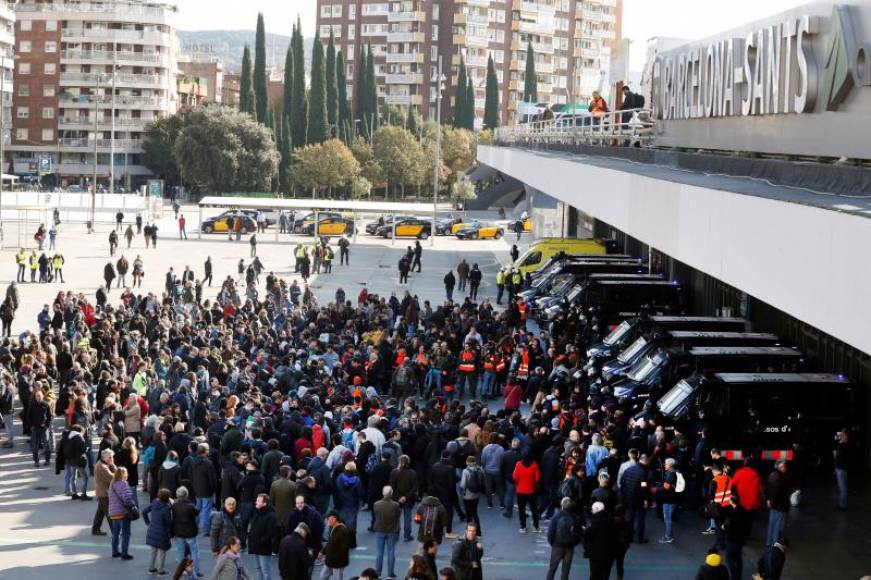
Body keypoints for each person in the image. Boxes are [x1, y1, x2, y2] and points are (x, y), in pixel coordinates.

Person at [545, 497, 580, 580]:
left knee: (552, 569)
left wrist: (553, 543)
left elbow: (550, 533)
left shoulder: (556, 516)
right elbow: (579, 534)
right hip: (569, 547)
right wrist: (573, 543)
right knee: (566, 570)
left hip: (557, 546)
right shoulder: (575, 518)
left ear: (562, 505)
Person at [172, 486, 203, 579]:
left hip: (178, 532)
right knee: (194, 552)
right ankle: (196, 570)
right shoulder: (190, 506)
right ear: (186, 495)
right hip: (190, 532)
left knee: (180, 552)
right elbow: (197, 512)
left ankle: (181, 570)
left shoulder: (174, 506)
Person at [108, 466, 137, 561]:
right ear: (124, 474)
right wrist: (133, 505)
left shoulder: (112, 485)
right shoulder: (123, 484)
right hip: (123, 513)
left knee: (115, 533)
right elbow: (127, 498)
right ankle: (124, 553)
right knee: (125, 534)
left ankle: (115, 551)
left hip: (113, 513)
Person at [143, 488, 174, 575]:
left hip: (152, 530)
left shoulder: (154, 503)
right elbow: (168, 523)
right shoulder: (166, 508)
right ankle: (161, 570)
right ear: (167, 498)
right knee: (162, 552)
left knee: (153, 551)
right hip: (162, 533)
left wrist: (148, 523)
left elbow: (144, 512)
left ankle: (151, 568)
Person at [247, 494, 278, 580]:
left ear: (265, 503)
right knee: (258, 569)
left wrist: (261, 541)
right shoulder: (257, 512)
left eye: (258, 501)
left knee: (265, 571)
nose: (255, 502)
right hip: (256, 545)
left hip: (263, 548)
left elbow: (270, 533)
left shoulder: (271, 516)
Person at [390, 454, 419, 543]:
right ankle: (407, 535)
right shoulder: (412, 473)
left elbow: (392, 486)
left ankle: (395, 535)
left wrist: (399, 497)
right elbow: (414, 488)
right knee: (407, 517)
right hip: (409, 499)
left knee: (396, 518)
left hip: (396, 498)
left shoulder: (394, 472)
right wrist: (405, 497)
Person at [373, 485, 401, 580]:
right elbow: (398, 516)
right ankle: (390, 573)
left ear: (383, 493)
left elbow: (376, 515)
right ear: (391, 493)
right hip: (392, 530)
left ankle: (378, 573)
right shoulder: (395, 505)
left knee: (379, 552)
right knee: (391, 552)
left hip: (380, 529)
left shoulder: (377, 504)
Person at [584, 502, 617, 580]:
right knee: (606, 574)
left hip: (596, 553)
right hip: (609, 553)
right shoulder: (611, 519)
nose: (592, 511)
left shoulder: (596, 520)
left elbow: (589, 534)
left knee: (595, 574)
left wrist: (585, 530)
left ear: (597, 509)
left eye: (592, 509)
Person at [512, 454, 540, 534]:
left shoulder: (518, 464)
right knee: (534, 510)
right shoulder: (534, 464)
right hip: (531, 491)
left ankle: (523, 527)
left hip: (520, 491)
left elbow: (515, 477)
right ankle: (536, 527)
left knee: (521, 510)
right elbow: (537, 478)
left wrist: (518, 484)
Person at [765, 460, 791, 546]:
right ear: (779, 467)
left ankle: (770, 542)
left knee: (772, 525)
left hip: (775, 506)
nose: (785, 468)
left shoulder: (773, 475)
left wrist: (769, 500)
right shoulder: (780, 477)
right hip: (780, 506)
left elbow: (768, 490)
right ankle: (775, 544)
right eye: (783, 467)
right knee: (778, 526)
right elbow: (776, 492)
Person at [92, 448, 117, 536]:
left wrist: (112, 464)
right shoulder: (102, 466)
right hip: (104, 493)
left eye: (112, 457)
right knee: (109, 513)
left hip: (102, 492)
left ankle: (95, 529)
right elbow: (113, 477)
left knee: (101, 511)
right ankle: (115, 532)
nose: (111, 459)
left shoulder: (104, 463)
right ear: (104, 457)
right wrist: (113, 465)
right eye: (110, 457)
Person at [322, 510, 353, 580]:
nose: (326, 521)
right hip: (330, 560)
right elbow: (330, 542)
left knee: (337, 578)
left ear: (334, 519)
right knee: (323, 576)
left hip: (338, 562)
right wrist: (322, 552)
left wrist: (333, 557)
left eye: (328, 519)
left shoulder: (342, 530)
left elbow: (344, 549)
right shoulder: (332, 527)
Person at [460, 455, 485, 537]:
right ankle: (479, 532)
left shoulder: (465, 471)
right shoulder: (480, 469)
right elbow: (483, 481)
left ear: (467, 462)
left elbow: (463, 485)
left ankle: (469, 532)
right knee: (475, 513)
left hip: (467, 496)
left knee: (469, 515)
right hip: (476, 495)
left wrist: (461, 493)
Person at [27, 387, 52, 467]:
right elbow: (28, 417)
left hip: (44, 428)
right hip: (35, 428)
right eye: (37, 396)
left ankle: (47, 460)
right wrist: (31, 426)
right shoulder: (32, 405)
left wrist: (47, 425)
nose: (38, 397)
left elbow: (50, 417)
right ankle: (36, 461)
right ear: (35, 397)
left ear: (42, 396)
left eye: (40, 396)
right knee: (35, 446)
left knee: (47, 445)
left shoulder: (46, 405)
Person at [657, 457, 679, 544]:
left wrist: (657, 489)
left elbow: (666, 487)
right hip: (673, 498)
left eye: (665, 463)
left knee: (667, 518)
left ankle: (668, 537)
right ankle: (670, 535)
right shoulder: (676, 472)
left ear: (670, 465)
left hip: (668, 499)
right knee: (669, 517)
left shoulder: (670, 474)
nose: (664, 465)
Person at [834, 430, 853, 510]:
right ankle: (842, 504)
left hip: (841, 469)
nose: (841, 436)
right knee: (842, 488)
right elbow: (839, 458)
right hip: (841, 469)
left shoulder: (843, 446)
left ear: (846, 437)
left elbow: (840, 458)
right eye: (841, 435)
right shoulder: (843, 445)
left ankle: (842, 506)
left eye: (843, 435)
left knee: (843, 488)